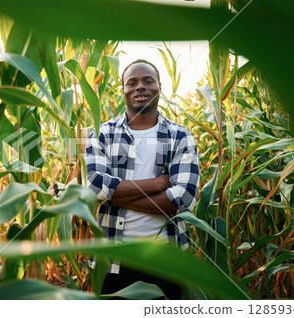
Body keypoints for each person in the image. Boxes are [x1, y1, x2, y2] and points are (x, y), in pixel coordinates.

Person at [85, 59, 200, 299]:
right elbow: (96, 187)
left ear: (159, 87)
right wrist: (159, 184)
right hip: (113, 256)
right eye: (132, 82)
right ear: (123, 90)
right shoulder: (102, 133)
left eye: (148, 81)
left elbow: (183, 199)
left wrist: (114, 197)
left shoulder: (180, 136)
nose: (140, 87)